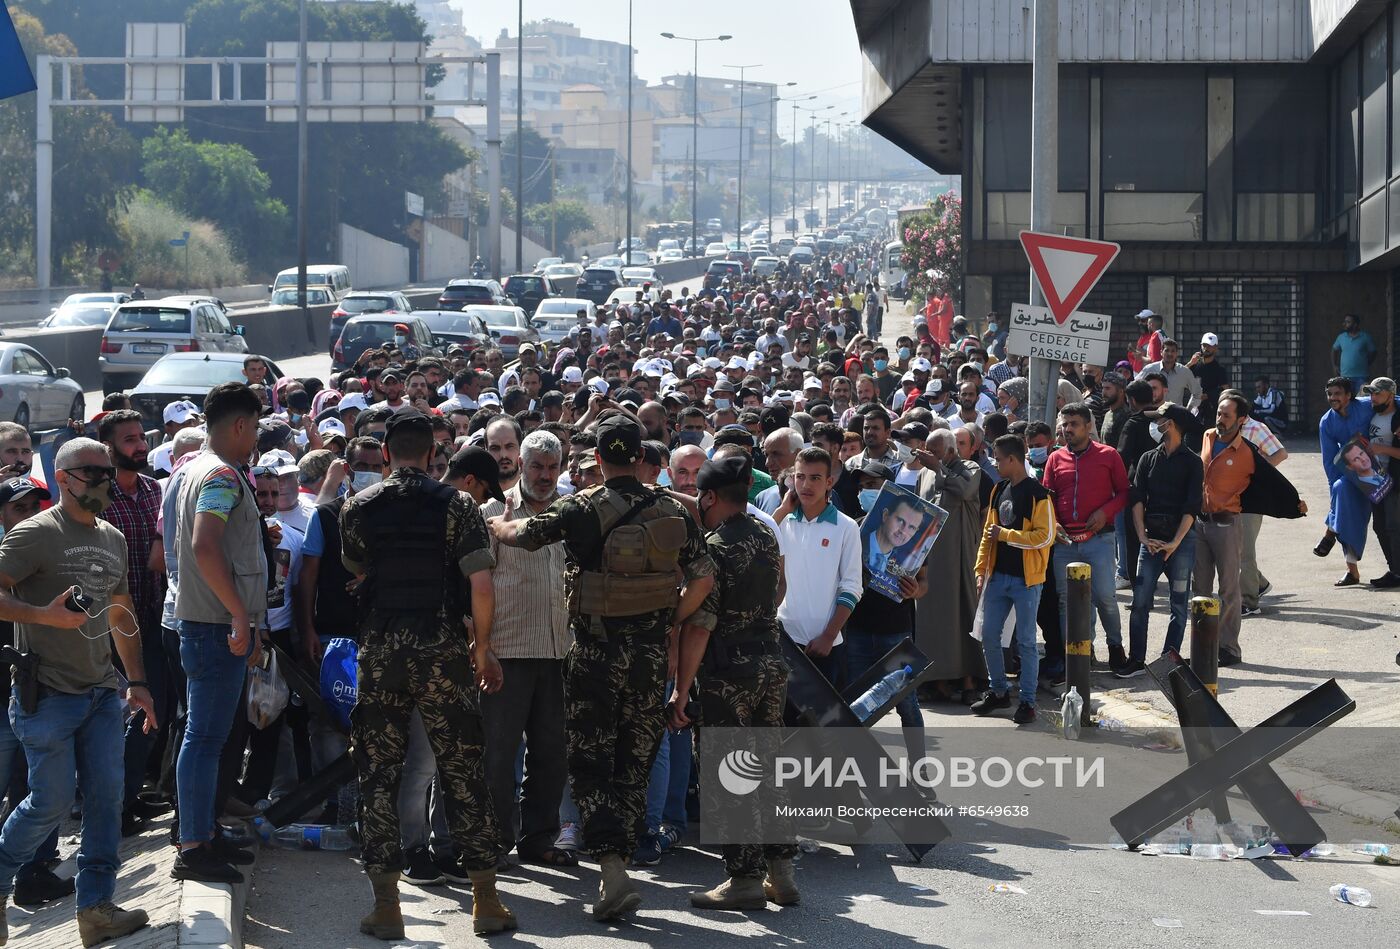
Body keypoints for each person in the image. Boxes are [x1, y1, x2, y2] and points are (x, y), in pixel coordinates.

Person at [488, 413, 714, 922]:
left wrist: (498, 523)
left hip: (594, 655)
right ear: (639, 458)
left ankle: (611, 868)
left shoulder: (581, 508)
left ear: (596, 460)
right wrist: (666, 618)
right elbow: (702, 577)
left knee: (590, 764)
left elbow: (521, 534)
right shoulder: (670, 511)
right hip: (650, 658)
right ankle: (625, 858)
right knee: (635, 763)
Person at [339, 410, 513, 937]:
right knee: (462, 771)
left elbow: (356, 567)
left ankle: (387, 906)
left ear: (387, 456)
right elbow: (481, 585)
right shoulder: (459, 505)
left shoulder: (357, 507)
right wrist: (482, 650)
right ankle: (485, 901)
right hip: (442, 652)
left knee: (379, 774)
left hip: (382, 653)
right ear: (435, 456)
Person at [0, 438, 156, 947]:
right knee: (50, 801)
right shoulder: (34, 534)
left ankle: (95, 908)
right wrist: (43, 615)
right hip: (46, 693)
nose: (107, 480)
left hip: (100, 694)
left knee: (108, 800)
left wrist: (137, 683)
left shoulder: (112, 537)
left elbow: (120, 613)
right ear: (64, 478)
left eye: (108, 471)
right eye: (94, 472)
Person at [670, 454, 798, 911]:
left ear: (708, 497)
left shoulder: (714, 548)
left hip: (728, 674)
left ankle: (743, 878)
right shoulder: (766, 533)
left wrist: (682, 690)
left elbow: (700, 626)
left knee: (733, 774)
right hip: (771, 665)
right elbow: (781, 590)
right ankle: (781, 874)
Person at [171, 383, 265, 885]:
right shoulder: (222, 476)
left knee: (205, 737)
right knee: (204, 739)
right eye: (253, 427)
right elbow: (205, 546)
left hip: (203, 620)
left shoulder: (189, 469)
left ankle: (202, 831)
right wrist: (238, 614)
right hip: (213, 625)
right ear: (238, 425)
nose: (254, 438)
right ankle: (192, 845)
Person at [478, 431, 574, 870]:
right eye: (537, 466)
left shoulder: (571, 514)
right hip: (506, 652)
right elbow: (473, 590)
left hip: (559, 652)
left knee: (552, 755)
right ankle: (495, 840)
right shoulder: (491, 514)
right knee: (498, 754)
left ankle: (539, 839)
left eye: (553, 467)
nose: (545, 475)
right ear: (519, 463)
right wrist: (481, 648)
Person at [0, 479, 73, 908]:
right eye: (17, 508)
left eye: (35, 506)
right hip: (9, 694)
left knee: (35, 787)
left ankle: (33, 874)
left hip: (37, 692)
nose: (27, 514)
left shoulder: (49, 556)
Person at [97, 409, 168, 835]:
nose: (140, 445)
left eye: (141, 437)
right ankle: (113, 810)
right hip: (111, 632)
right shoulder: (97, 499)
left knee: (150, 716)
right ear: (108, 448)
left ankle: (125, 799)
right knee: (123, 721)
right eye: (128, 440)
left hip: (155, 624)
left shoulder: (155, 491)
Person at [972, 434, 1055, 725]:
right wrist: (981, 569)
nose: (995, 463)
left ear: (1011, 459)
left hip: (1027, 580)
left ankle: (1028, 702)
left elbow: (1045, 536)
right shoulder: (999, 489)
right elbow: (987, 534)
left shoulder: (1038, 494)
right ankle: (999, 691)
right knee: (989, 636)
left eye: (998, 458)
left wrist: (1006, 535)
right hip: (998, 577)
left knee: (1027, 642)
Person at [1042, 403, 1130, 672]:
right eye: (1065, 424)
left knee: (1104, 596)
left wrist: (1106, 512)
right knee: (1066, 600)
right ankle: (1080, 649)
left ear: (1088, 426)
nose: (1068, 429)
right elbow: (1048, 498)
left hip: (1099, 540)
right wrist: (1054, 524)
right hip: (1065, 543)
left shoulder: (1109, 455)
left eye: (1074, 424)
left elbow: (1125, 492)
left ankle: (1115, 646)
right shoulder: (1054, 459)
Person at [1122, 403, 1202, 677]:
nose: (1156, 425)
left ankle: (1170, 658)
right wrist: (1143, 535)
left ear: (1173, 425)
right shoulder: (1147, 458)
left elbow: (1192, 506)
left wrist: (1176, 542)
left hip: (1181, 541)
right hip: (1152, 540)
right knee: (1140, 600)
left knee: (1179, 603)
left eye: (1161, 420)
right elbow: (1136, 497)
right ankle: (1136, 659)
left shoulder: (1192, 462)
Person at [774, 447, 862, 690]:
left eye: (815, 478)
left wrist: (829, 635)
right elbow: (760, 544)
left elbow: (852, 587)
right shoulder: (782, 521)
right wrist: (782, 511)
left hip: (825, 647)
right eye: (800, 477)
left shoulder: (846, 527)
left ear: (829, 482)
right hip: (784, 639)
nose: (806, 485)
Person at [912, 429, 984, 702]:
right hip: (931, 558)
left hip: (959, 555)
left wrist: (939, 467)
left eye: (936, 451)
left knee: (963, 614)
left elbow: (965, 490)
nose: (930, 456)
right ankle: (936, 680)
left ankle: (968, 681)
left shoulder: (970, 468)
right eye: (928, 451)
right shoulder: (924, 473)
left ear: (951, 451)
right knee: (932, 620)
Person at [1317, 377, 1375, 560]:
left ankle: (1330, 531)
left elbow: (1393, 399)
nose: (1333, 397)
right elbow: (1329, 461)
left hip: (1383, 468)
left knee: (1386, 523)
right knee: (1340, 492)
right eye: (1329, 394)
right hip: (1353, 471)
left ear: (1349, 395)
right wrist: (1333, 496)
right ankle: (1351, 569)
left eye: (1337, 393)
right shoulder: (1326, 422)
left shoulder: (1367, 406)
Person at [1187, 332, 1230, 422]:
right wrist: (1190, 363)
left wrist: (1209, 395)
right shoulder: (1194, 365)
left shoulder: (1219, 369)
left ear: (1216, 348)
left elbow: (1226, 390)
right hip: (1193, 407)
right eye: (1204, 345)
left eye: (1210, 346)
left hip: (1211, 410)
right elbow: (1180, 376)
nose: (1206, 348)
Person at [1332, 313, 1377, 394]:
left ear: (1355, 324)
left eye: (1348, 322)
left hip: (1362, 376)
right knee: (1347, 400)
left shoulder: (1365, 337)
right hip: (1345, 376)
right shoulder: (1341, 337)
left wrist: (1367, 363)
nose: (1344, 324)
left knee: (1362, 398)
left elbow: (1373, 352)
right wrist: (1335, 365)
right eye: (1344, 322)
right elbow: (1334, 350)